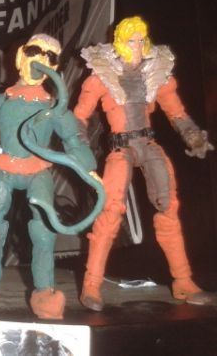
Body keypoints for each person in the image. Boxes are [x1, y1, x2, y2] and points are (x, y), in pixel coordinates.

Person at [0, 34, 101, 320]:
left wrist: (88, 169)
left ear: (55, 67)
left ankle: (44, 292)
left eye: (50, 56)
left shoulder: (53, 107)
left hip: (37, 172)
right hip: (3, 170)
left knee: (43, 230)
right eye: (34, 51)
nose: (41, 58)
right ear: (20, 56)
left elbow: (73, 141)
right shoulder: (3, 101)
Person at [74, 16, 214, 311]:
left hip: (148, 145)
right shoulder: (101, 76)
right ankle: (91, 285)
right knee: (110, 211)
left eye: (141, 40)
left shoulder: (155, 73)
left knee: (168, 207)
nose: (137, 46)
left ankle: (183, 281)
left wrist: (192, 135)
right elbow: (79, 116)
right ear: (120, 43)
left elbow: (176, 112)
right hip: (121, 147)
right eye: (131, 41)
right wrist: (78, 145)